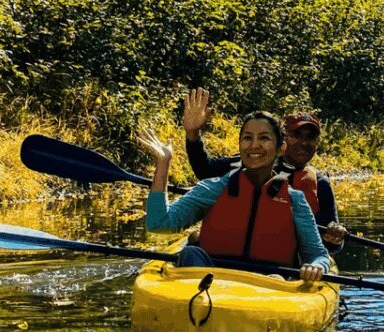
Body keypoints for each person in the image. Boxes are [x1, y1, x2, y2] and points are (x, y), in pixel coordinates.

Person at [138, 111, 330, 282]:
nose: (254, 145)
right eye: (247, 138)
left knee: (277, 278)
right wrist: (163, 163)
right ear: (240, 145)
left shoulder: (294, 200)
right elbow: (158, 223)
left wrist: (317, 266)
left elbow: (318, 254)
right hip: (208, 283)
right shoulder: (214, 189)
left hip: (270, 286)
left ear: (281, 148)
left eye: (264, 138)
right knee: (190, 253)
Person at [182, 88, 347, 252]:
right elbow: (204, 170)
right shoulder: (251, 162)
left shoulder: (321, 184)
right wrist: (193, 134)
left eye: (310, 137)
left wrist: (334, 236)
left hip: (283, 266)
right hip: (230, 252)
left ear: (317, 143)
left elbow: (331, 245)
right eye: (296, 135)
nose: (304, 143)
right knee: (195, 239)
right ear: (282, 140)